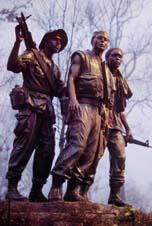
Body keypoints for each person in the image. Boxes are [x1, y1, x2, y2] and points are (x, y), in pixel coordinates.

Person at [48, 31, 115, 202]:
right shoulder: (82, 56)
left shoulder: (106, 68)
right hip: (82, 105)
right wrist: (73, 100)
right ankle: (56, 185)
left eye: (106, 40)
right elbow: (71, 78)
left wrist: (106, 117)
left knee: (89, 153)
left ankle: (73, 189)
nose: (103, 42)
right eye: (99, 38)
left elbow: (109, 99)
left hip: (98, 112)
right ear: (92, 40)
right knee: (76, 144)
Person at [6, 24, 68, 202]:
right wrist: (18, 42)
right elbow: (13, 66)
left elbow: (60, 89)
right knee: (23, 146)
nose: (58, 43)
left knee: (47, 151)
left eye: (61, 42)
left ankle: (37, 189)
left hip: (47, 111)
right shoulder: (32, 55)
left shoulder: (55, 69)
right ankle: (12, 187)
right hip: (31, 106)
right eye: (56, 39)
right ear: (46, 40)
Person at [105, 48, 133, 207]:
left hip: (114, 123)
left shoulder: (121, 80)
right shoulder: (100, 73)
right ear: (107, 57)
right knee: (91, 157)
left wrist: (128, 128)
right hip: (98, 119)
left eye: (120, 56)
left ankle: (115, 195)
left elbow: (120, 109)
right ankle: (79, 192)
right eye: (114, 55)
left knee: (120, 157)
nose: (117, 58)